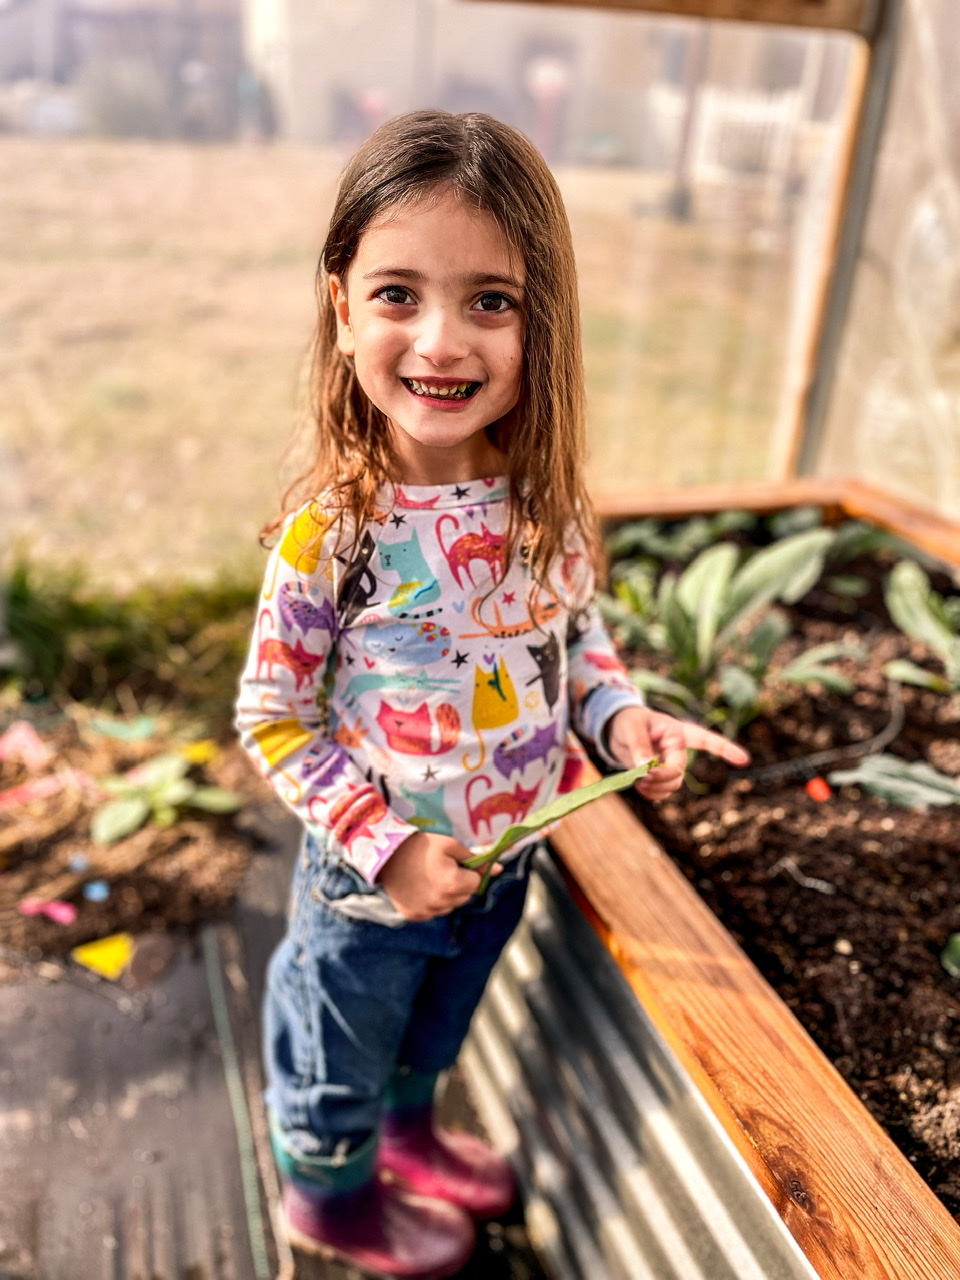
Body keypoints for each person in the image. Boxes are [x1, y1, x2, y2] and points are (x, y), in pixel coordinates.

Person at [235, 109, 749, 1279]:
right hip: (372, 890)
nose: (442, 340)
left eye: (490, 300)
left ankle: (409, 1132)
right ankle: (329, 1192)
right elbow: (274, 718)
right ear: (341, 307)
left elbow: (576, 638)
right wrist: (388, 848)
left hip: (502, 858)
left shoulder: (541, 507)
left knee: (439, 1025)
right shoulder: (333, 538)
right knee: (341, 1047)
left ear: (539, 321)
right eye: (398, 294)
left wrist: (623, 718)